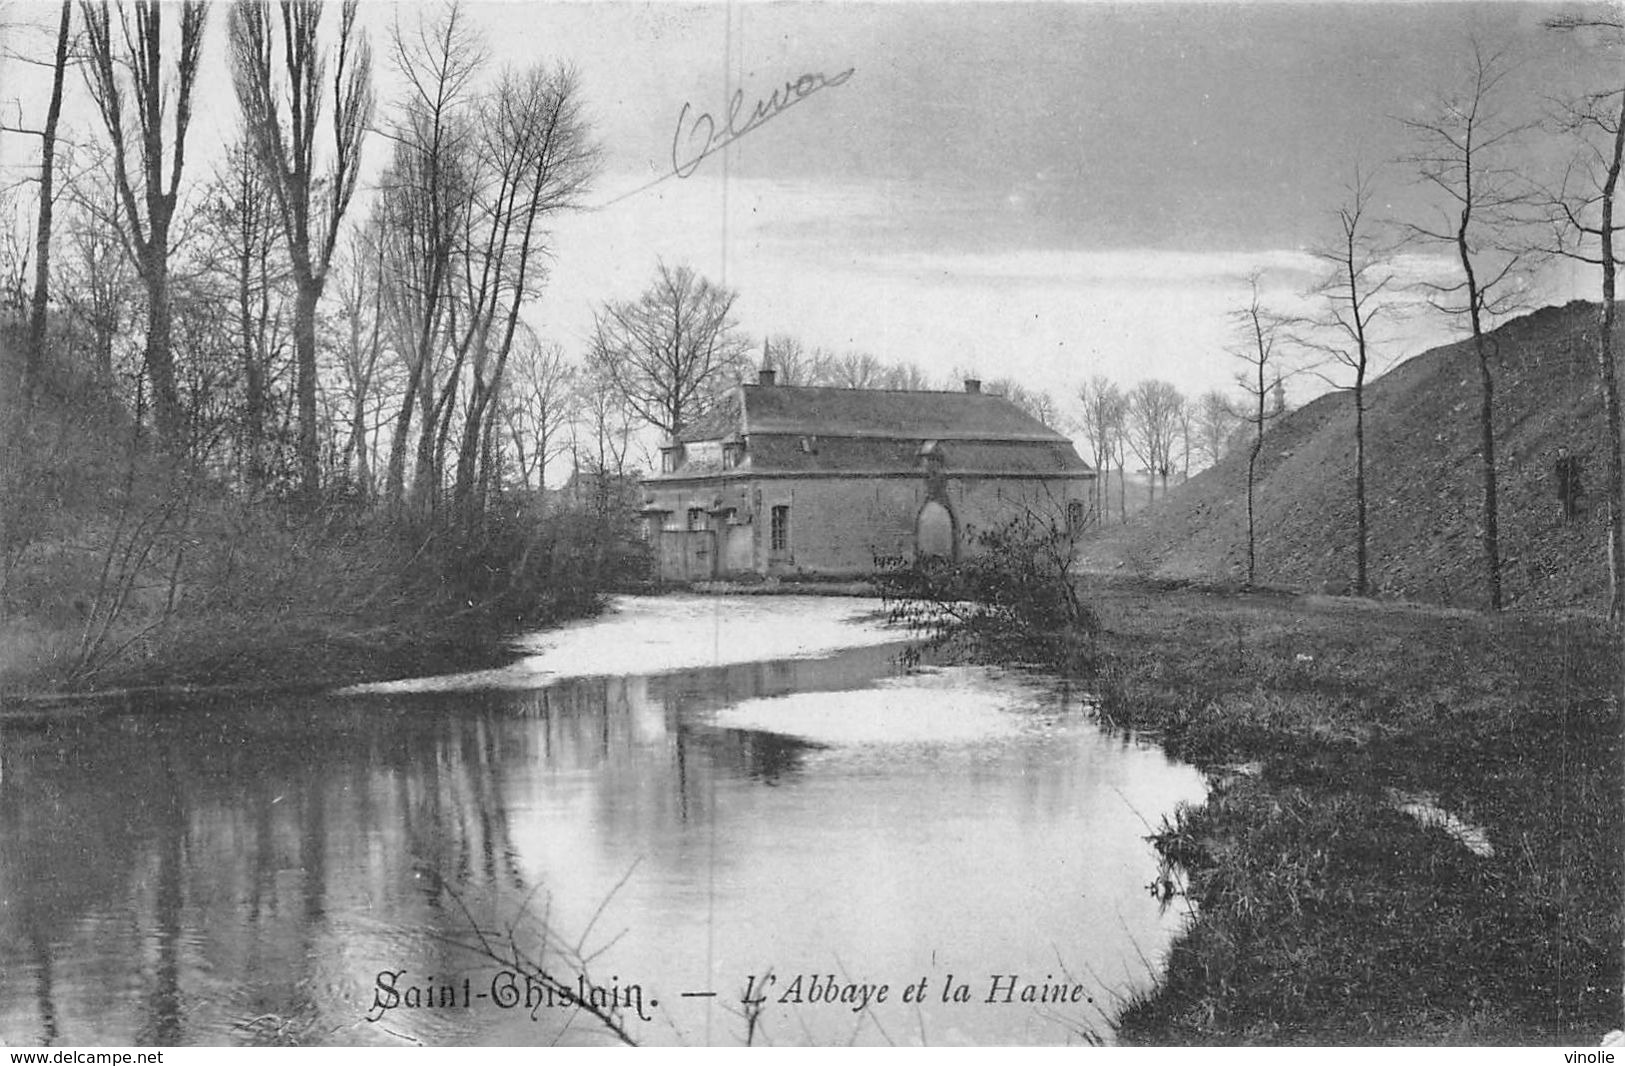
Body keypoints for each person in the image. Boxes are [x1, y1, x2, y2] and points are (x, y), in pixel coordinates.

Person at [1556, 446, 1583, 522]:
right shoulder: (1559, 462)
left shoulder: (1572, 461)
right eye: (1561, 453)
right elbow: (1558, 473)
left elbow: (1577, 471)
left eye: (1564, 453)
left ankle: (1573, 517)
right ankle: (1565, 518)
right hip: (1564, 485)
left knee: (1572, 500)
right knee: (1564, 501)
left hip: (1573, 484)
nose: (1563, 455)